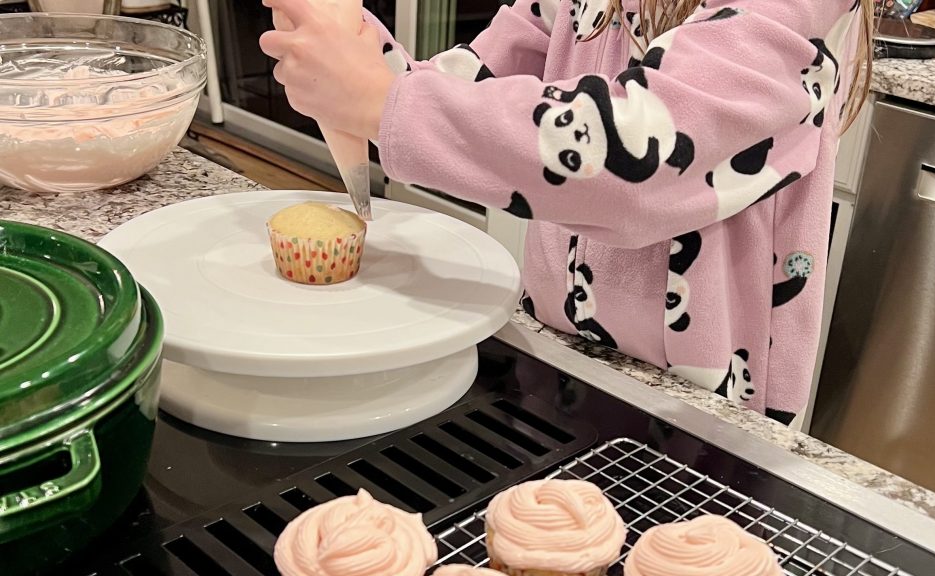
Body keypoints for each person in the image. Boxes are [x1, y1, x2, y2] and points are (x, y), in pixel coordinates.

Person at [261, 0, 873, 427]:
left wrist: (379, 100)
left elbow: (636, 159)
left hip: (703, 412)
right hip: (558, 362)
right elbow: (466, 91)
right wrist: (349, 48)